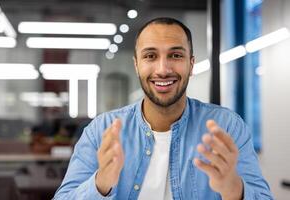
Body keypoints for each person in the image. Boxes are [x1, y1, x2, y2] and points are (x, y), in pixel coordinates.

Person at [53, 17, 273, 200]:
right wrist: (101, 184)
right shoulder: (102, 130)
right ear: (136, 65)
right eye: (150, 56)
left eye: (175, 55)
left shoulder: (227, 127)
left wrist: (234, 189)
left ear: (191, 64)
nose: (163, 69)